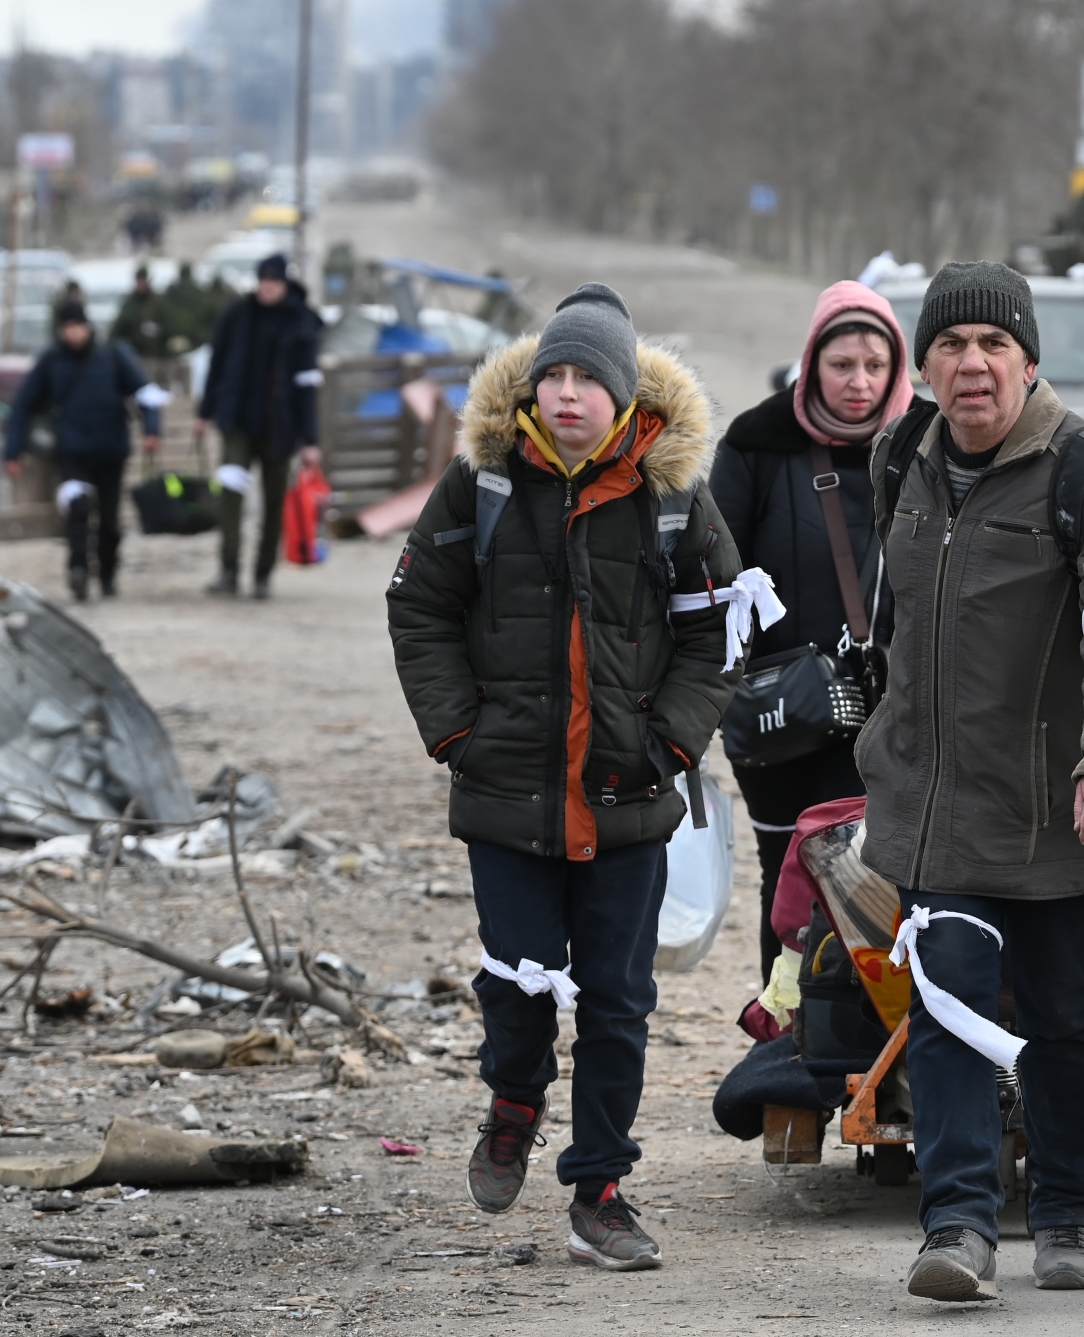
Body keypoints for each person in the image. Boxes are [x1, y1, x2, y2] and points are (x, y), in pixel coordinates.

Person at [388, 283, 751, 1273]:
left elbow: (718, 633)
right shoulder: (484, 482)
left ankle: (599, 1187)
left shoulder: (673, 497)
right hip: (507, 795)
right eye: (552, 373)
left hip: (629, 800)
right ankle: (511, 1101)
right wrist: (458, 730)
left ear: (624, 393)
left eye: (587, 376)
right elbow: (418, 605)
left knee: (618, 1001)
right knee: (515, 978)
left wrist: (671, 745)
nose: (565, 392)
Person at [857, 261, 1084, 1300]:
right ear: (927, 365)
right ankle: (954, 1225)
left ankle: (1070, 1212)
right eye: (949, 346)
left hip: (1055, 808)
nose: (971, 365)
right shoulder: (900, 455)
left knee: (1061, 1017)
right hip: (934, 804)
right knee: (944, 1006)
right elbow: (896, 621)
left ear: (1027, 361)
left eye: (993, 345)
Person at [711, 279, 912, 985]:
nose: (859, 383)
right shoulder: (756, 445)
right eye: (841, 365)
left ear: (897, 369)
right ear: (811, 363)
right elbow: (713, 577)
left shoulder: (931, 446)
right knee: (792, 879)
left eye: (874, 366)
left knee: (883, 878)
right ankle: (787, 1043)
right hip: (783, 716)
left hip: (898, 716)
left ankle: (868, 1047)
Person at [3, 301, 162, 600]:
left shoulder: (113, 355)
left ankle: (107, 574)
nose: (73, 333)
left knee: (109, 518)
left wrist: (151, 429)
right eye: (67, 328)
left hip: (110, 449)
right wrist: (12, 452)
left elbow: (144, 391)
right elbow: (23, 406)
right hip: (71, 451)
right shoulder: (51, 361)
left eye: (77, 326)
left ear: (87, 326)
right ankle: (78, 569)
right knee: (77, 511)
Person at [196, 254, 323, 599]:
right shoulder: (237, 315)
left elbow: (308, 386)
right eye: (262, 281)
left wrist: (310, 439)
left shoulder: (300, 322)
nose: (267, 288)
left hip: (279, 428)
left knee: (273, 502)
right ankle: (229, 569)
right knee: (231, 495)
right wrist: (204, 412)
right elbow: (217, 365)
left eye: (274, 282)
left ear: (284, 284)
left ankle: (263, 574)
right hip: (237, 421)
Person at [110, 266, 167, 363]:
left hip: (155, 355)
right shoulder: (129, 303)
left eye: (143, 281)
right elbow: (118, 327)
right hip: (134, 353)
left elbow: (166, 324)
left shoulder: (157, 302)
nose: (141, 285)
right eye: (139, 281)